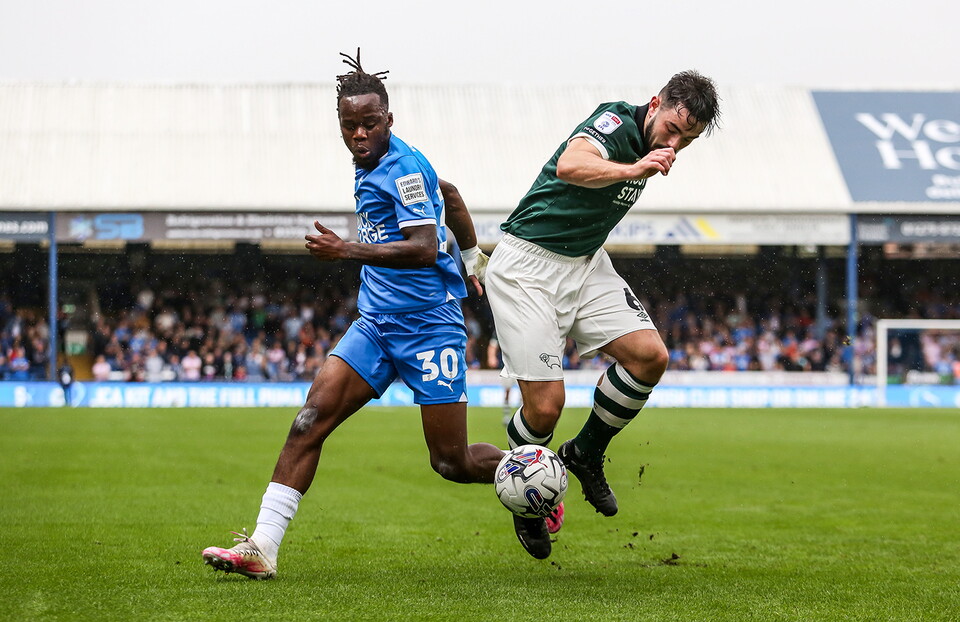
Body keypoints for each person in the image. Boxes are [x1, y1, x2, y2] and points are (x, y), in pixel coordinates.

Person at [201, 50, 503, 579]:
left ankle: (532, 474)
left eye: (369, 123)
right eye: (350, 125)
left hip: (430, 328)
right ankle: (262, 548)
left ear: (390, 119)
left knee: (450, 462)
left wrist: (346, 251)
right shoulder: (371, 162)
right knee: (307, 422)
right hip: (376, 326)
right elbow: (450, 193)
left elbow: (423, 248)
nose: (360, 134)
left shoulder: (403, 169)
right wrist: (475, 253)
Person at [485, 71, 721, 559]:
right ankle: (524, 501)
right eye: (672, 128)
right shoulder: (615, 122)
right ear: (654, 103)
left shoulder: (659, 144)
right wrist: (633, 169)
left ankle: (585, 452)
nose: (674, 143)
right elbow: (572, 165)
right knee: (545, 408)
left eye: (687, 139)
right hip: (527, 267)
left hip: (585, 262)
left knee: (650, 357)